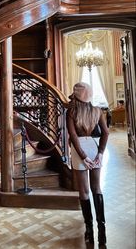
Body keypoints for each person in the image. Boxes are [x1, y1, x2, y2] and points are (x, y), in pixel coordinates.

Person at [66, 82, 109, 246]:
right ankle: (102, 232)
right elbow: (106, 132)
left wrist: (83, 156)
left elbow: (73, 136)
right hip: (94, 146)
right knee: (96, 188)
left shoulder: (72, 111)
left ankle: (89, 231)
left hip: (79, 152)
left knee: (84, 192)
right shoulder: (97, 111)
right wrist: (100, 153)